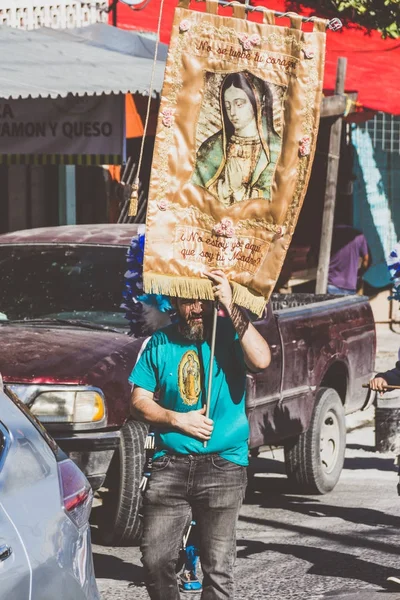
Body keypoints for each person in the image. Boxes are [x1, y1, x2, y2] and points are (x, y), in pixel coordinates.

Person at [129, 269, 271, 600]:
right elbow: (138, 401)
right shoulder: (160, 342)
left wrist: (229, 303)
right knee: (156, 559)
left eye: (200, 300)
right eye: (185, 301)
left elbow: (262, 359)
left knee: (217, 568)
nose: (194, 307)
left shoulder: (230, 335)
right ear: (173, 302)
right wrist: (177, 419)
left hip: (224, 464)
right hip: (170, 464)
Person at [191, 71, 282, 205]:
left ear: (257, 103)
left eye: (239, 104)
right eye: (227, 106)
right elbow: (193, 188)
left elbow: (276, 196)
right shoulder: (213, 146)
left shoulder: (275, 148)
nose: (232, 113)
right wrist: (225, 189)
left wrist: (240, 191)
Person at [327, 224, 369, 295]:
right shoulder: (359, 236)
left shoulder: (330, 233)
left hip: (332, 283)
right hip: (350, 284)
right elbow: (366, 260)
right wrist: (359, 274)